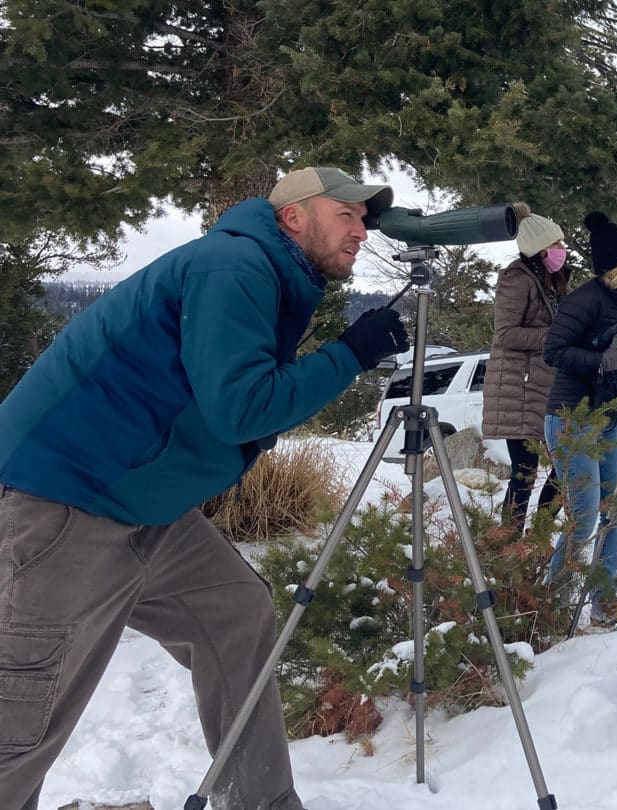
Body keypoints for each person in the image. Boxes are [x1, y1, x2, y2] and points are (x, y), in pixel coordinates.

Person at [0, 166, 406, 810]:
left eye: (365, 219)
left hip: (144, 500)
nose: (361, 230)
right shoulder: (234, 266)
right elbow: (240, 408)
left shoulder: (271, 273)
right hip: (72, 495)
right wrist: (348, 356)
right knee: (28, 702)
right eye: (346, 214)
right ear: (293, 216)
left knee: (235, 613)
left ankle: (259, 801)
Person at [541, 211, 617, 625]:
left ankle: (605, 600)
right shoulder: (582, 300)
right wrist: (601, 360)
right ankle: (549, 601)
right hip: (571, 418)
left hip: (605, 420)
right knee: (584, 517)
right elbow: (553, 352)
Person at [482, 203, 567, 530]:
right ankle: (510, 544)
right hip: (518, 388)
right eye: (556, 244)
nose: (562, 250)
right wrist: (556, 335)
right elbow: (505, 333)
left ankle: (538, 533)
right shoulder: (517, 279)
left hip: (541, 387)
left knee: (564, 464)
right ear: (538, 248)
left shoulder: (552, 279)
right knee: (525, 472)